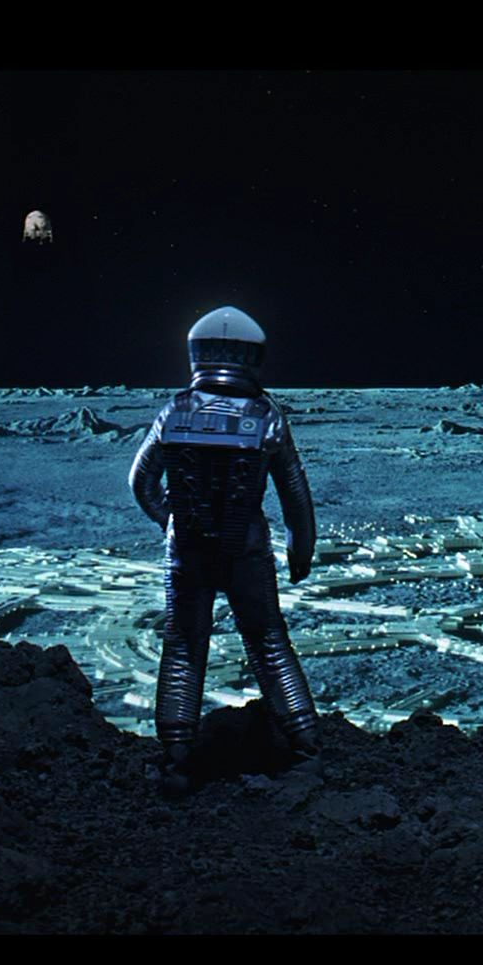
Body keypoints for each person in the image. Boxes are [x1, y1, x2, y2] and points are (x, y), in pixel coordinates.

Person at [128, 306, 320, 794]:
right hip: (247, 550)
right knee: (268, 642)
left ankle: (176, 755)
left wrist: (169, 521)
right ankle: (306, 744)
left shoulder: (174, 412)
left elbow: (141, 482)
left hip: (186, 550)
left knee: (183, 645)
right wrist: (300, 551)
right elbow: (295, 496)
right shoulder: (266, 417)